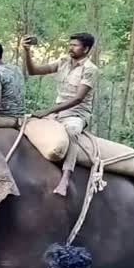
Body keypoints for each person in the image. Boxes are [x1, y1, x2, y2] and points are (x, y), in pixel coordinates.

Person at [22, 33, 99, 196]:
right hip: (58, 110)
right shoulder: (63, 61)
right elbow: (33, 71)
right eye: (70, 44)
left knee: (71, 131)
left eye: (75, 45)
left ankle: (65, 178)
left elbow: (78, 98)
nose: (71, 48)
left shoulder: (90, 69)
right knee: (28, 123)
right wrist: (26, 51)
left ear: (86, 49)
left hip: (76, 113)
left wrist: (48, 111)